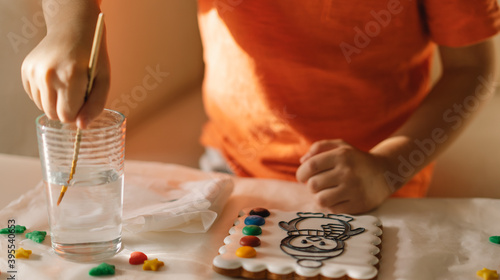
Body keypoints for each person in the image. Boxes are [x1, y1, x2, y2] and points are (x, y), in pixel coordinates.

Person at [22, 0, 500, 214]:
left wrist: (390, 167)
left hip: (377, 188)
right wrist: (70, 25)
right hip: (230, 167)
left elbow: (472, 69)